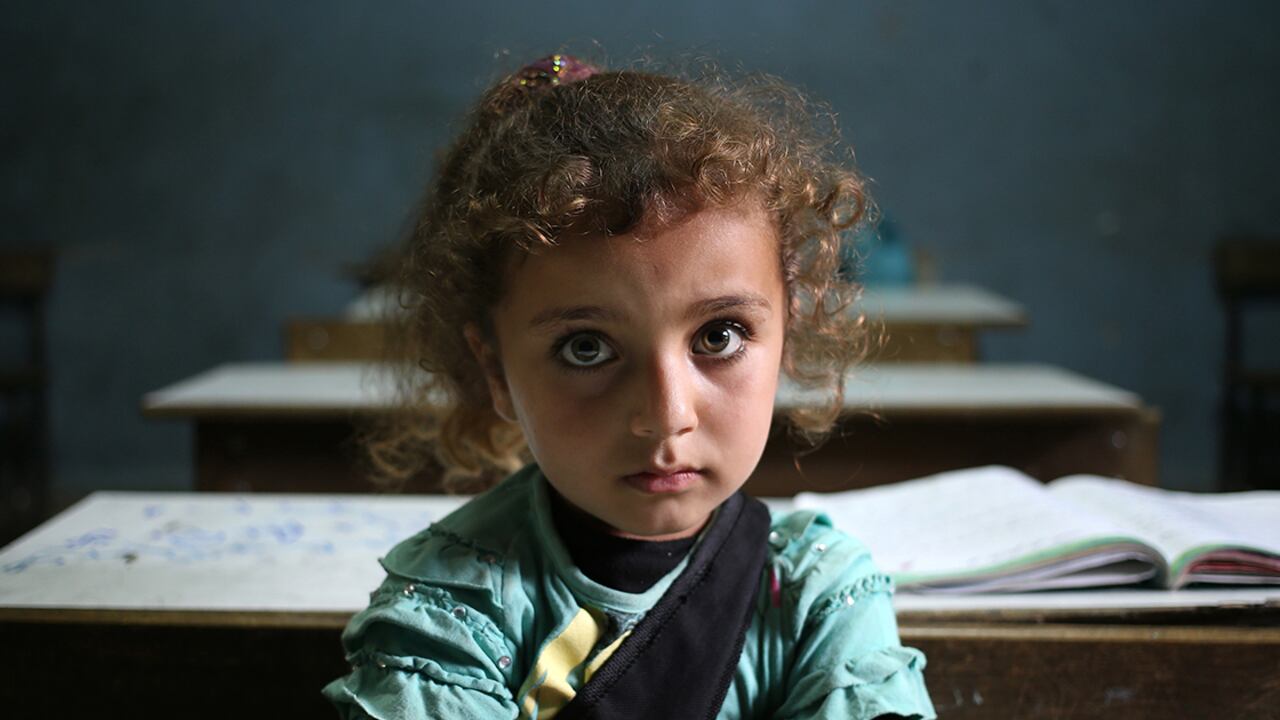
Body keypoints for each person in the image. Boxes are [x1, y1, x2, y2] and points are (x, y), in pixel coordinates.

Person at [323, 53, 936, 720]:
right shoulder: (453, 609)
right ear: (495, 369)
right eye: (587, 349)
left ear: (786, 327)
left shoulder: (818, 592)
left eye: (719, 336)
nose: (664, 416)